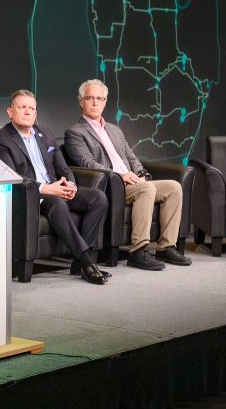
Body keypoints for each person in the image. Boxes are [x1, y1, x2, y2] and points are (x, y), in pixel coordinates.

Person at [64, 79, 191, 271]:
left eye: (100, 98)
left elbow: (131, 157)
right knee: (146, 189)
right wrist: (119, 176)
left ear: (105, 102)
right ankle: (138, 251)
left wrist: (142, 174)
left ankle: (166, 247)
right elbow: (87, 163)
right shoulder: (75, 132)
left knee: (173, 188)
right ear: (81, 102)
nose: (95, 103)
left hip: (132, 182)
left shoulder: (114, 130)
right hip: (111, 186)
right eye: (90, 98)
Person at [0, 90, 110, 285]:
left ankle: (80, 264)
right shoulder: (0, 139)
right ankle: (87, 263)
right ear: (10, 112)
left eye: (31, 108)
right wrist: (46, 189)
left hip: (56, 188)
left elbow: (63, 167)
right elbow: (12, 176)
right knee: (56, 202)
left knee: (98, 198)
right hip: (31, 196)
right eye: (22, 107)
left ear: (35, 113)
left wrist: (70, 184)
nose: (27, 112)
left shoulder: (44, 133)